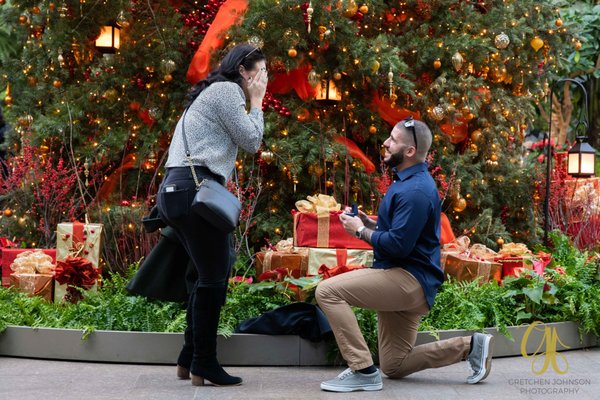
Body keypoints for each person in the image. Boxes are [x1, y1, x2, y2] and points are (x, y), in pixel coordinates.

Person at [316, 117, 494, 392]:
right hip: (408, 278)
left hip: (407, 280)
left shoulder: (415, 190)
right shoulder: (409, 182)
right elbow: (406, 232)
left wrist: (361, 231)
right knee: (394, 365)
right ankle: (470, 346)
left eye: (393, 140)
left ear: (410, 151)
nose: (386, 143)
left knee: (327, 291)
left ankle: (362, 371)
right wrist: (371, 224)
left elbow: (399, 246)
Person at [156, 43, 268, 387]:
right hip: (195, 190)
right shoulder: (226, 91)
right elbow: (251, 141)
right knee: (214, 277)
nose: (264, 79)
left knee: (204, 274)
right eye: (260, 72)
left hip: (179, 190)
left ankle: (188, 359)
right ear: (243, 71)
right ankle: (204, 362)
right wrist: (258, 101)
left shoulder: (211, 92)